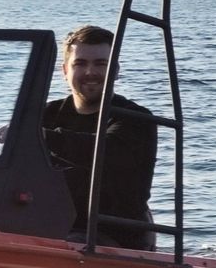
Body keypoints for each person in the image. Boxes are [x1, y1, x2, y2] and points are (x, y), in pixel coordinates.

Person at [42, 25, 157, 250]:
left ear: (115, 69)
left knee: (68, 244)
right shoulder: (46, 114)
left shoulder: (136, 119)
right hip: (54, 227)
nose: (90, 72)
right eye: (80, 63)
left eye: (101, 64)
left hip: (114, 237)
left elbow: (106, 152)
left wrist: (39, 137)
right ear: (65, 70)